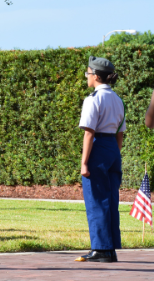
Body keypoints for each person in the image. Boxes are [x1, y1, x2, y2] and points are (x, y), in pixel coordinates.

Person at [76, 56, 124, 263]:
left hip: (99, 147)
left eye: (88, 73)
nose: (87, 77)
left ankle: (100, 249)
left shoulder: (93, 99)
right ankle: (110, 248)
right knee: (111, 200)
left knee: (96, 199)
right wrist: (115, 154)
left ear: (96, 76)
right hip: (113, 148)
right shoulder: (118, 99)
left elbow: (89, 132)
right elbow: (120, 133)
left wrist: (84, 162)